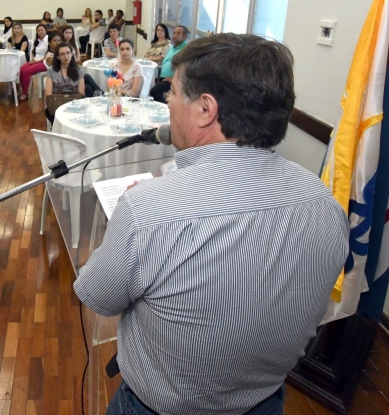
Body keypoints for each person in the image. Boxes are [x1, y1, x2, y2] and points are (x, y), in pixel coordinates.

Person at [74, 33, 349, 415]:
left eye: (173, 92)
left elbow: (97, 295)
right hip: (264, 402)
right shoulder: (325, 206)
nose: (167, 102)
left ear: (205, 109)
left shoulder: (146, 209)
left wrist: (127, 216)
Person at [44, 42, 85, 124]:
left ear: (72, 54)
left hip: (74, 104)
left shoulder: (78, 70)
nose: (66, 56)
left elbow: (81, 93)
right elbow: (48, 94)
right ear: (58, 57)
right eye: (62, 54)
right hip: (56, 103)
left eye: (68, 53)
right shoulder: (51, 71)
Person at [150, 25, 189, 103]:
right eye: (174, 33)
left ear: (184, 36)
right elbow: (165, 62)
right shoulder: (171, 47)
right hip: (163, 77)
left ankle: (168, 109)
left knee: (154, 91)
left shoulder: (186, 50)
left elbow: (185, 68)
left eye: (178, 33)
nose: (175, 35)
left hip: (173, 79)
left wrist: (173, 80)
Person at [19, 24, 50, 101]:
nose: (40, 32)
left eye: (42, 30)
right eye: (38, 30)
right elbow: (33, 52)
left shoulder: (49, 40)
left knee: (26, 71)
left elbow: (48, 55)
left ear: (46, 30)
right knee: (21, 69)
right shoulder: (37, 40)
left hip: (45, 62)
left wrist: (36, 61)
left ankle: (25, 93)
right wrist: (32, 59)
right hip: (36, 60)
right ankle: (23, 90)